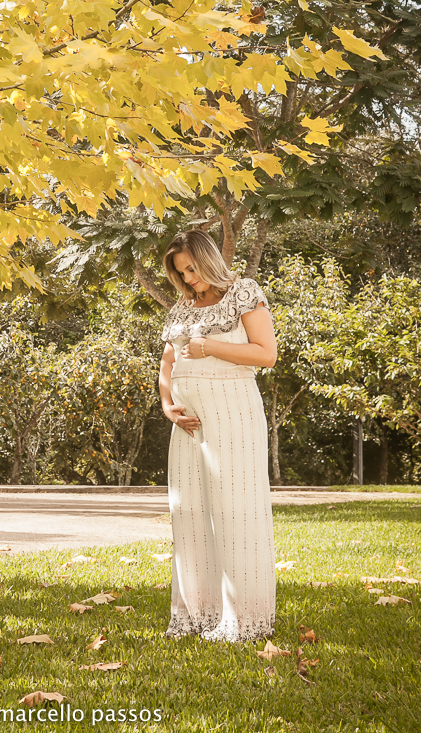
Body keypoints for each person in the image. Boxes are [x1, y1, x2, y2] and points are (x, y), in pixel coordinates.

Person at [157, 229, 277, 641]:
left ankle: (244, 618)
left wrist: (210, 347)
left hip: (233, 414)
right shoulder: (183, 306)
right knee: (189, 513)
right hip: (188, 425)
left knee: (235, 512)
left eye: (192, 269)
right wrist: (167, 405)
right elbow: (167, 361)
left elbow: (266, 354)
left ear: (209, 260)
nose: (188, 279)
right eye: (181, 273)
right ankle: (198, 614)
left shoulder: (244, 292)